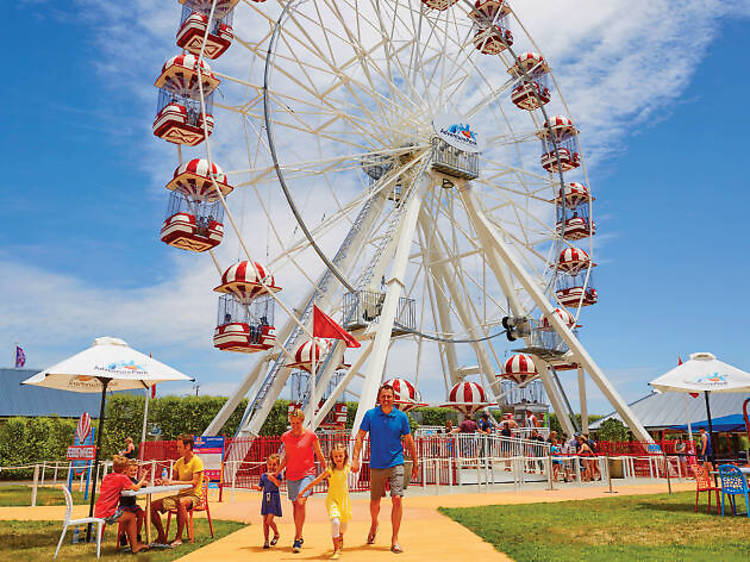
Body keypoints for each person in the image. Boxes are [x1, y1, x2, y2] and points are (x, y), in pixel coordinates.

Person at [352, 384, 418, 554]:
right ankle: (374, 524)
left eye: (389, 396)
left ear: (393, 398)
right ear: (378, 399)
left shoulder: (401, 417)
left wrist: (416, 462)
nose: (386, 399)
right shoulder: (371, 415)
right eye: (383, 396)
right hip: (377, 464)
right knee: (375, 503)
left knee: (397, 498)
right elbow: (360, 436)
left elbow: (409, 441)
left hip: (396, 462)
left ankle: (394, 539)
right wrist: (355, 459)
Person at [277, 408, 326, 553]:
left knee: (300, 501)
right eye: (292, 423)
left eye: (297, 423)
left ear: (302, 421)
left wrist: (327, 469)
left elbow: (319, 453)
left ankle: (297, 539)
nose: (295, 426)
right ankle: (300, 533)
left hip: (307, 474)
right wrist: (277, 471)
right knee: (295, 506)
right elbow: (286, 457)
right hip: (291, 474)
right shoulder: (285, 437)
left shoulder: (311, 436)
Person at [151, 434, 204, 547]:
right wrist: (163, 482)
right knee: (151, 506)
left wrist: (173, 482)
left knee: (181, 503)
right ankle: (161, 537)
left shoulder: (197, 461)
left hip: (194, 496)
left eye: (180, 447)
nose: (177, 449)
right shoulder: (179, 462)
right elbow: (173, 480)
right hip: (180, 496)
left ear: (188, 446)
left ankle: (178, 538)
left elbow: (194, 483)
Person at [301, 443, 352, 560]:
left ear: (345, 456)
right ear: (332, 458)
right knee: (335, 523)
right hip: (332, 500)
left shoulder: (347, 467)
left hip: (344, 502)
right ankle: (336, 549)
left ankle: (340, 536)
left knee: (343, 527)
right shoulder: (330, 470)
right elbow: (317, 480)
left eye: (340, 456)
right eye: (336, 456)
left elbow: (355, 466)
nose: (338, 458)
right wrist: (304, 490)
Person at [94, 455, 149, 554]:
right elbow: (136, 488)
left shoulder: (107, 477)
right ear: (125, 469)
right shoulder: (122, 477)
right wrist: (144, 477)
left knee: (128, 515)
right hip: (108, 513)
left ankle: (128, 539)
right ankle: (135, 546)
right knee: (132, 517)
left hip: (99, 510)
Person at [253, 454, 282, 549]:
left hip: (274, 498)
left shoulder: (278, 474)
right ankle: (266, 540)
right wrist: (257, 487)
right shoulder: (263, 476)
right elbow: (260, 488)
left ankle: (277, 533)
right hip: (266, 498)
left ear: (278, 466)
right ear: (267, 465)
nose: (272, 467)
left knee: (269, 520)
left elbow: (278, 484)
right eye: (270, 464)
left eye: (274, 465)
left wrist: (273, 478)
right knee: (265, 521)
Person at [118, 460, 146, 548]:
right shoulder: (124, 479)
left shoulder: (134, 480)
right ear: (126, 470)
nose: (133, 472)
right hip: (124, 505)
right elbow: (135, 487)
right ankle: (122, 534)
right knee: (125, 515)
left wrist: (144, 482)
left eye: (135, 470)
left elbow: (140, 485)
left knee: (141, 513)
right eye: (131, 470)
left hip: (132, 505)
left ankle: (137, 533)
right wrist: (143, 480)